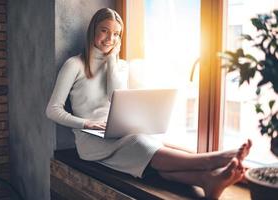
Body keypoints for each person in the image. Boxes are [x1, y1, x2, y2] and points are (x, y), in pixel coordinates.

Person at [46, 8, 252, 199]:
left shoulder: (119, 66)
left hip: (116, 132)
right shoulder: (74, 65)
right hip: (91, 141)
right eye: (104, 31)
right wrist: (86, 123)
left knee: (150, 151)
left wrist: (111, 62)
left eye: (116, 34)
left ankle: (207, 181)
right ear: (93, 30)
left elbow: (113, 97)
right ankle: (211, 160)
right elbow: (53, 110)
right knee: (141, 143)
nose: (110, 38)